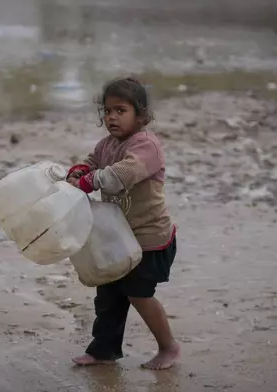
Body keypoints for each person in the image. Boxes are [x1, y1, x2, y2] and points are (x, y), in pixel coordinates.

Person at [66, 77, 180, 370]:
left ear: (140, 115)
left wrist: (88, 181)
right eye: (107, 111)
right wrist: (78, 172)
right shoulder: (106, 144)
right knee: (108, 295)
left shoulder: (146, 146)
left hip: (150, 238)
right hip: (118, 237)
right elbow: (93, 163)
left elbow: (119, 176)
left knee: (139, 294)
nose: (112, 117)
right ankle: (103, 350)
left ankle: (169, 347)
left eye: (121, 110)